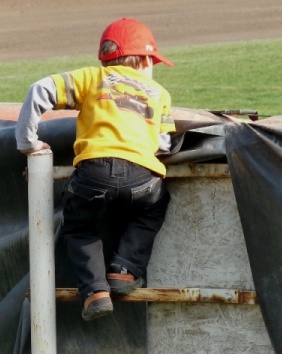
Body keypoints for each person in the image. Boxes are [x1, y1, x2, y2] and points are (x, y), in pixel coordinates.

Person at [15, 17, 175, 321]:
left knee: (78, 225)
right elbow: (164, 145)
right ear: (143, 60)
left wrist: (28, 142)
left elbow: (40, 89)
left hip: (94, 172)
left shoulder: (93, 78)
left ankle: (95, 292)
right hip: (143, 176)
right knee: (154, 207)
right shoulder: (159, 94)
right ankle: (125, 270)